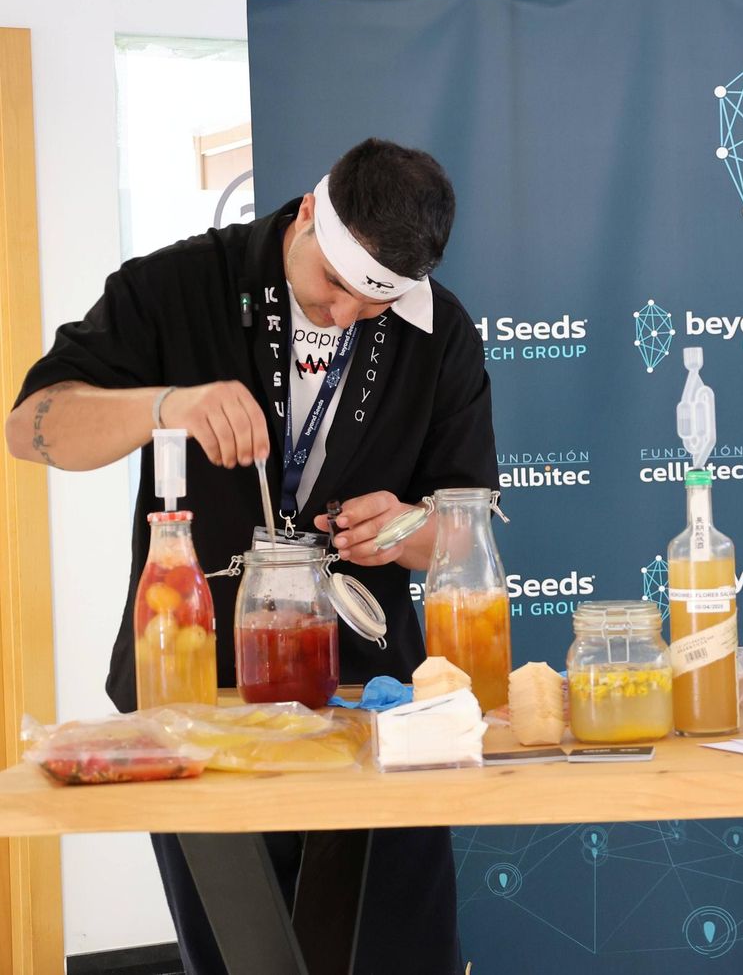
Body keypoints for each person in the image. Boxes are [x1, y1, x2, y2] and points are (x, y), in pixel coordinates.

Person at [6, 138, 494, 974]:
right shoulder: (175, 286)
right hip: (199, 699)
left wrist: (411, 528)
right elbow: (32, 427)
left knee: (400, 955)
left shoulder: (438, 328)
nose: (344, 315)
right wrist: (169, 405)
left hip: (373, 705)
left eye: (373, 304)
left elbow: (462, 526)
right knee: (245, 955)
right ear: (308, 212)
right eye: (334, 285)